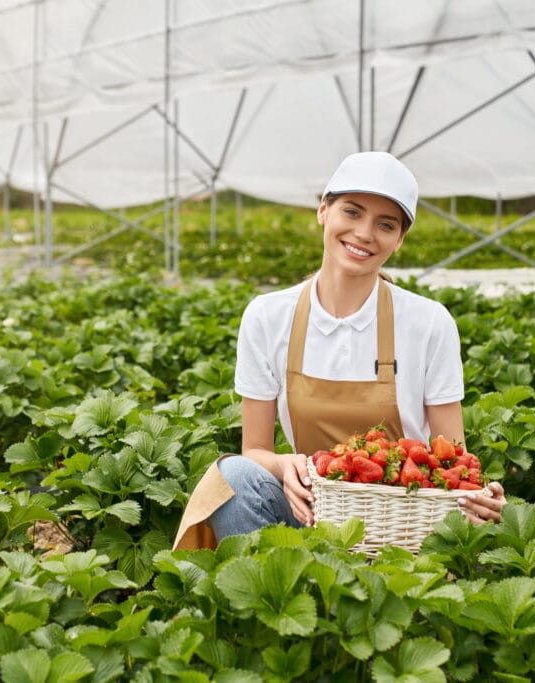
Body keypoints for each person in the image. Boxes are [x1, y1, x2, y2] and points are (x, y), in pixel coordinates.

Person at [173, 151, 505, 550]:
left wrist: (476, 494)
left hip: (400, 522)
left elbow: (452, 455)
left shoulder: (428, 323)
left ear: (399, 241)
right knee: (234, 476)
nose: (365, 233)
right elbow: (255, 449)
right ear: (323, 211)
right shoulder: (267, 316)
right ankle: (273, 587)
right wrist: (283, 464)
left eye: (385, 224)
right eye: (352, 212)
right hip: (308, 513)